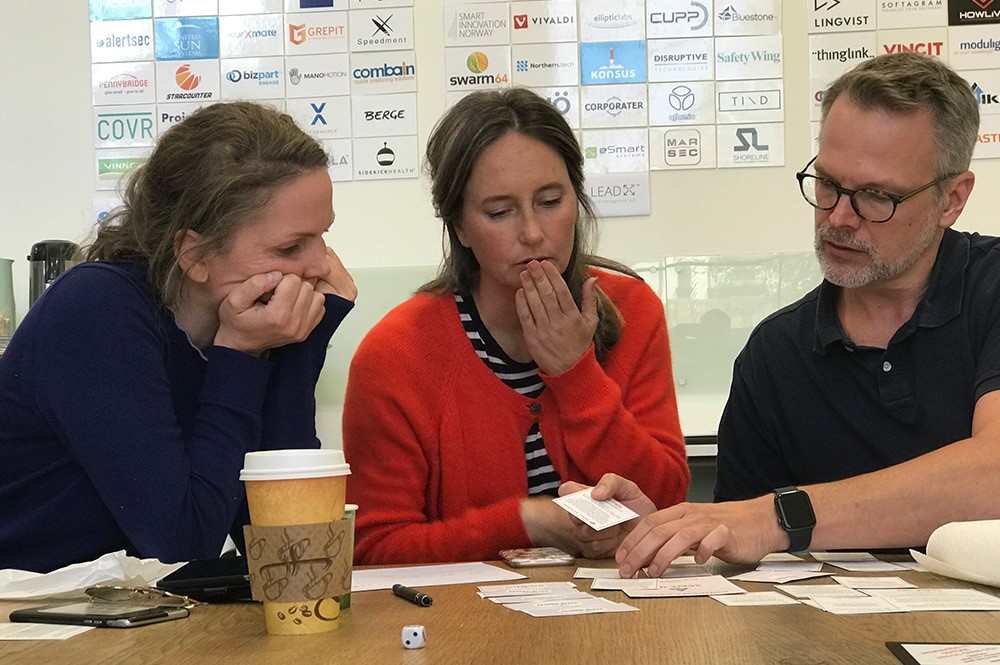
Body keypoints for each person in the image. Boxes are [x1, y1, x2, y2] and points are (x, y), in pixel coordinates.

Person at [575, 51, 1000, 578]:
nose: (838, 218)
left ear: (952, 200)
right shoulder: (775, 354)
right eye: (827, 184)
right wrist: (672, 530)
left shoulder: (992, 288)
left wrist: (780, 517)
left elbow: (993, 475)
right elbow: (739, 546)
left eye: (876, 197)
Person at [0, 102, 357, 573]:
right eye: (291, 247)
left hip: (117, 606)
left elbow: (284, 549)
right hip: (22, 605)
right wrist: (242, 355)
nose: (318, 265)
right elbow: (182, 542)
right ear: (195, 254)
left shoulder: (246, 324)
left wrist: (300, 343)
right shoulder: (95, 309)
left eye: (322, 235)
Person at [343, 88, 689, 565]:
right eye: (500, 212)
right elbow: (372, 549)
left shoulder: (632, 309)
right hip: (464, 611)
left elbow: (666, 502)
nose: (532, 233)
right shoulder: (396, 353)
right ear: (459, 227)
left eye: (550, 201)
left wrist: (577, 375)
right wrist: (528, 521)